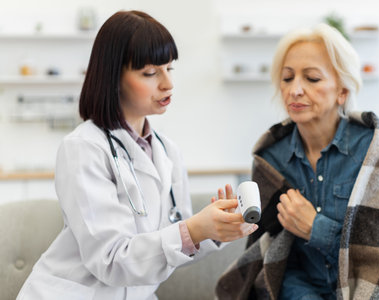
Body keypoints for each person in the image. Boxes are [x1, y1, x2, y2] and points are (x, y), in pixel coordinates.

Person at [17, 10, 257, 300]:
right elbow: (111, 260)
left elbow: (170, 249)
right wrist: (192, 229)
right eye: (150, 73)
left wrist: (214, 230)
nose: (167, 83)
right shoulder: (83, 148)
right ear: (113, 76)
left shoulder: (167, 151)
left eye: (169, 68)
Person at [216, 23, 379, 299]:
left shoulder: (378, 150)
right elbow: (274, 257)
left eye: (312, 78)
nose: (295, 90)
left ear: (342, 91)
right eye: (287, 77)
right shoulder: (271, 158)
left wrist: (317, 229)